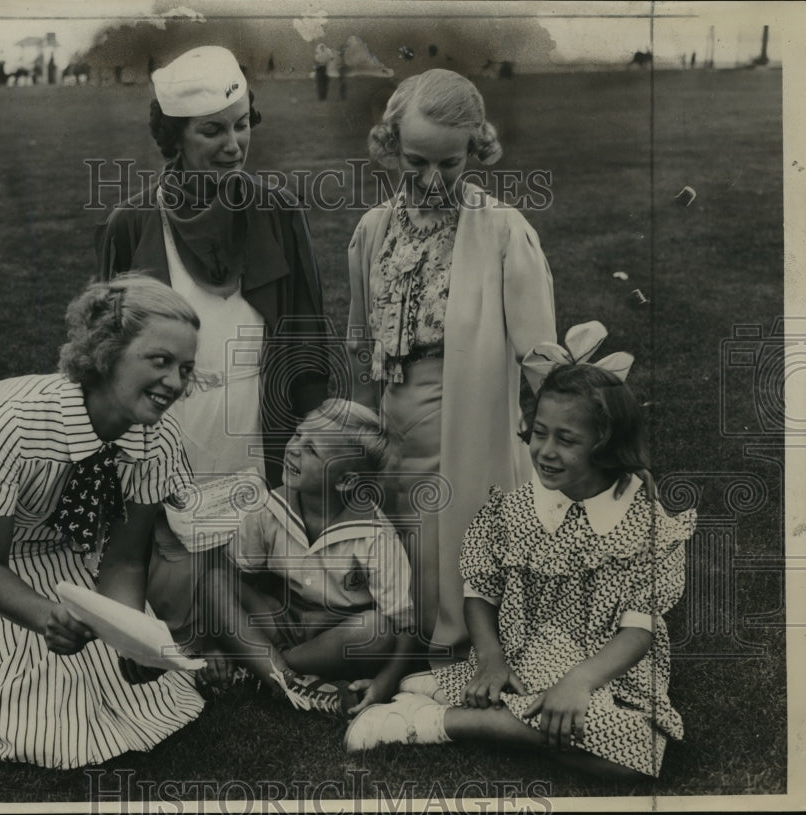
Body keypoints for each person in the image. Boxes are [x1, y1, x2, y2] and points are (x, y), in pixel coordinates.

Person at [345, 325, 695, 779]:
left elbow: (638, 628)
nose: (545, 451)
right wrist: (491, 658)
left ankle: (461, 707)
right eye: (539, 434)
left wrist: (580, 681)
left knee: (643, 752)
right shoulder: (515, 511)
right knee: (627, 747)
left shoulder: (643, 524)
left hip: (606, 666)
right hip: (524, 653)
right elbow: (480, 589)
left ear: (607, 446)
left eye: (566, 440)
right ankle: (436, 722)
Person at [0, 275, 209, 769]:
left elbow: (122, 561)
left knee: (155, 696)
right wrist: (43, 615)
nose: (175, 383)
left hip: (66, 548)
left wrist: (129, 635)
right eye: (159, 361)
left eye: (185, 368)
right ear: (107, 350)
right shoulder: (12, 418)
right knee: (39, 721)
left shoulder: (156, 440)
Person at [95, 45, 328, 654]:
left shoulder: (278, 212)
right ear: (173, 139)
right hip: (171, 438)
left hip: (258, 434)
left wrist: (318, 439)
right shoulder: (132, 221)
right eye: (212, 131)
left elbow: (306, 335)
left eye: (243, 124)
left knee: (270, 584)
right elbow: (106, 355)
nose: (234, 144)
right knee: (177, 599)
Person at [346, 68, 557, 661]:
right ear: (390, 146)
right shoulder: (372, 230)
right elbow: (361, 341)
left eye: (450, 163)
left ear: (475, 149)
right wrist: (360, 435)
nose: (432, 181)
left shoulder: (504, 232)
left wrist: (579, 436)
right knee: (396, 563)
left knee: (462, 563)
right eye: (416, 162)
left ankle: (460, 640)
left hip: (468, 430)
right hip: (391, 435)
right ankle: (403, 641)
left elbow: (541, 358)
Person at [205, 399, 415, 716]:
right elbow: (238, 580)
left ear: (344, 481)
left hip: (335, 637)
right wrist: (216, 642)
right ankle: (285, 675)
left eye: (312, 450)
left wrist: (386, 682)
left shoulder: (376, 537)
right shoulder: (268, 508)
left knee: (376, 630)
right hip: (281, 620)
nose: (293, 448)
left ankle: (266, 666)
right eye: (298, 434)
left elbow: (405, 628)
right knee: (214, 581)